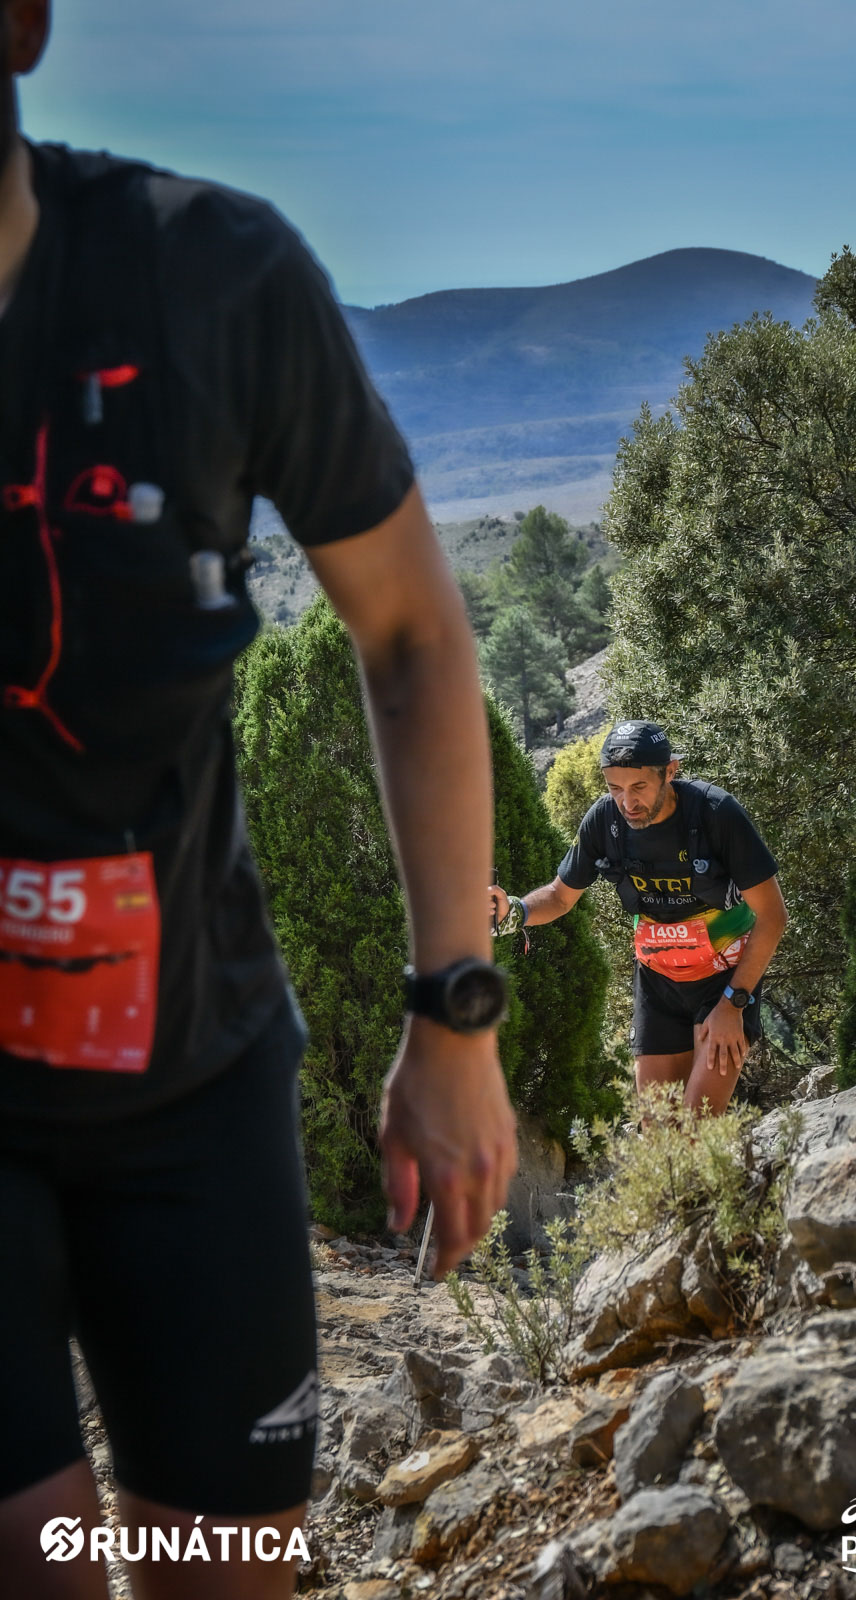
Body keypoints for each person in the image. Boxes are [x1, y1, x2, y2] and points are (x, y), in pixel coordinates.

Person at [0, 3, 517, 1596]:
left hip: (193, 1082)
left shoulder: (213, 279)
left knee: (223, 1570)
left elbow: (412, 629)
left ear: (23, 24)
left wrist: (453, 1016)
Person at [491, 720, 787, 1117]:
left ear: (670, 771)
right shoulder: (604, 821)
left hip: (724, 982)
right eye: (614, 788)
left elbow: (773, 915)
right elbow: (560, 897)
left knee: (698, 1131)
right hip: (657, 984)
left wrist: (734, 1004)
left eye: (639, 787)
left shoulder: (716, 813)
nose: (626, 802)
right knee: (658, 1135)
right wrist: (515, 912)